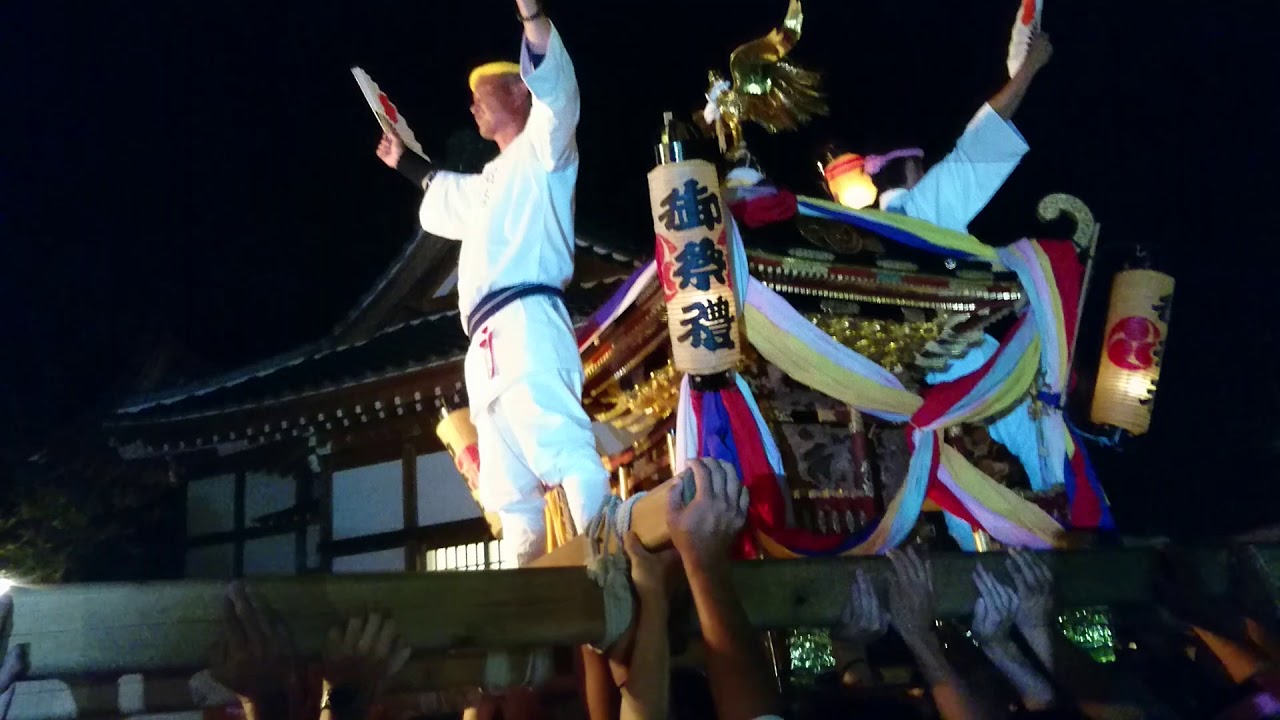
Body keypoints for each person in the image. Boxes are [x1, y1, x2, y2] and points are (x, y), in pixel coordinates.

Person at [375, 0, 607, 565]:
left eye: (483, 92)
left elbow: (560, 94)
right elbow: (442, 191)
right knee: (507, 484)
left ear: (520, 91)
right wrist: (404, 160)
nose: (473, 103)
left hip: (528, 319)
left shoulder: (546, 148)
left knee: (561, 446)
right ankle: (526, 587)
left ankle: (607, 557)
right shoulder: (488, 182)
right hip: (484, 342)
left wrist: (532, 17)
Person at [878, 32, 1054, 231]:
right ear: (909, 167)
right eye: (922, 170)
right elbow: (982, 134)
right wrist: (1031, 64)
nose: (926, 176)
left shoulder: (882, 224)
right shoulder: (919, 206)